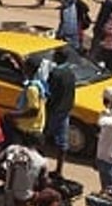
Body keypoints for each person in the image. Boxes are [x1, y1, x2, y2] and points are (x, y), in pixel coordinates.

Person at [44, 48, 76, 176]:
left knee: (44, 137)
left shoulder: (56, 73)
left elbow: (51, 92)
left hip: (54, 110)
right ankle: (59, 169)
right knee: (62, 142)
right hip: (66, 109)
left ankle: (43, 168)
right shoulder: (70, 72)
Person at [5, 56, 46, 146]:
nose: (23, 68)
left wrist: (13, 115)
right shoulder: (39, 83)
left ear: (29, 68)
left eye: (25, 66)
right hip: (36, 125)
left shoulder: (32, 89)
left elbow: (33, 111)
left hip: (27, 128)